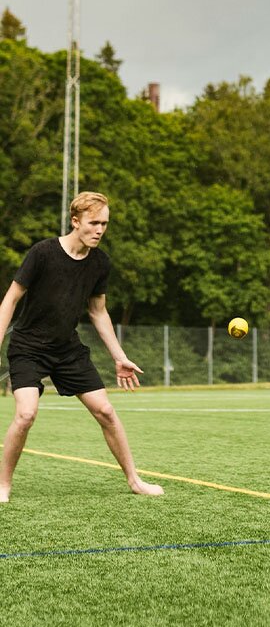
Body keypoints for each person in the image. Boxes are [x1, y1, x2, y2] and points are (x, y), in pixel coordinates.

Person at [0, 192, 163, 502]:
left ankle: (134, 480)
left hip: (67, 350)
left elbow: (98, 311)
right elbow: (10, 299)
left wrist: (120, 357)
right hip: (28, 347)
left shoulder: (100, 263)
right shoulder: (43, 253)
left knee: (106, 411)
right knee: (25, 415)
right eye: (93, 223)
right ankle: (2, 486)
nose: (99, 230)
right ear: (76, 221)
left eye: (104, 223)